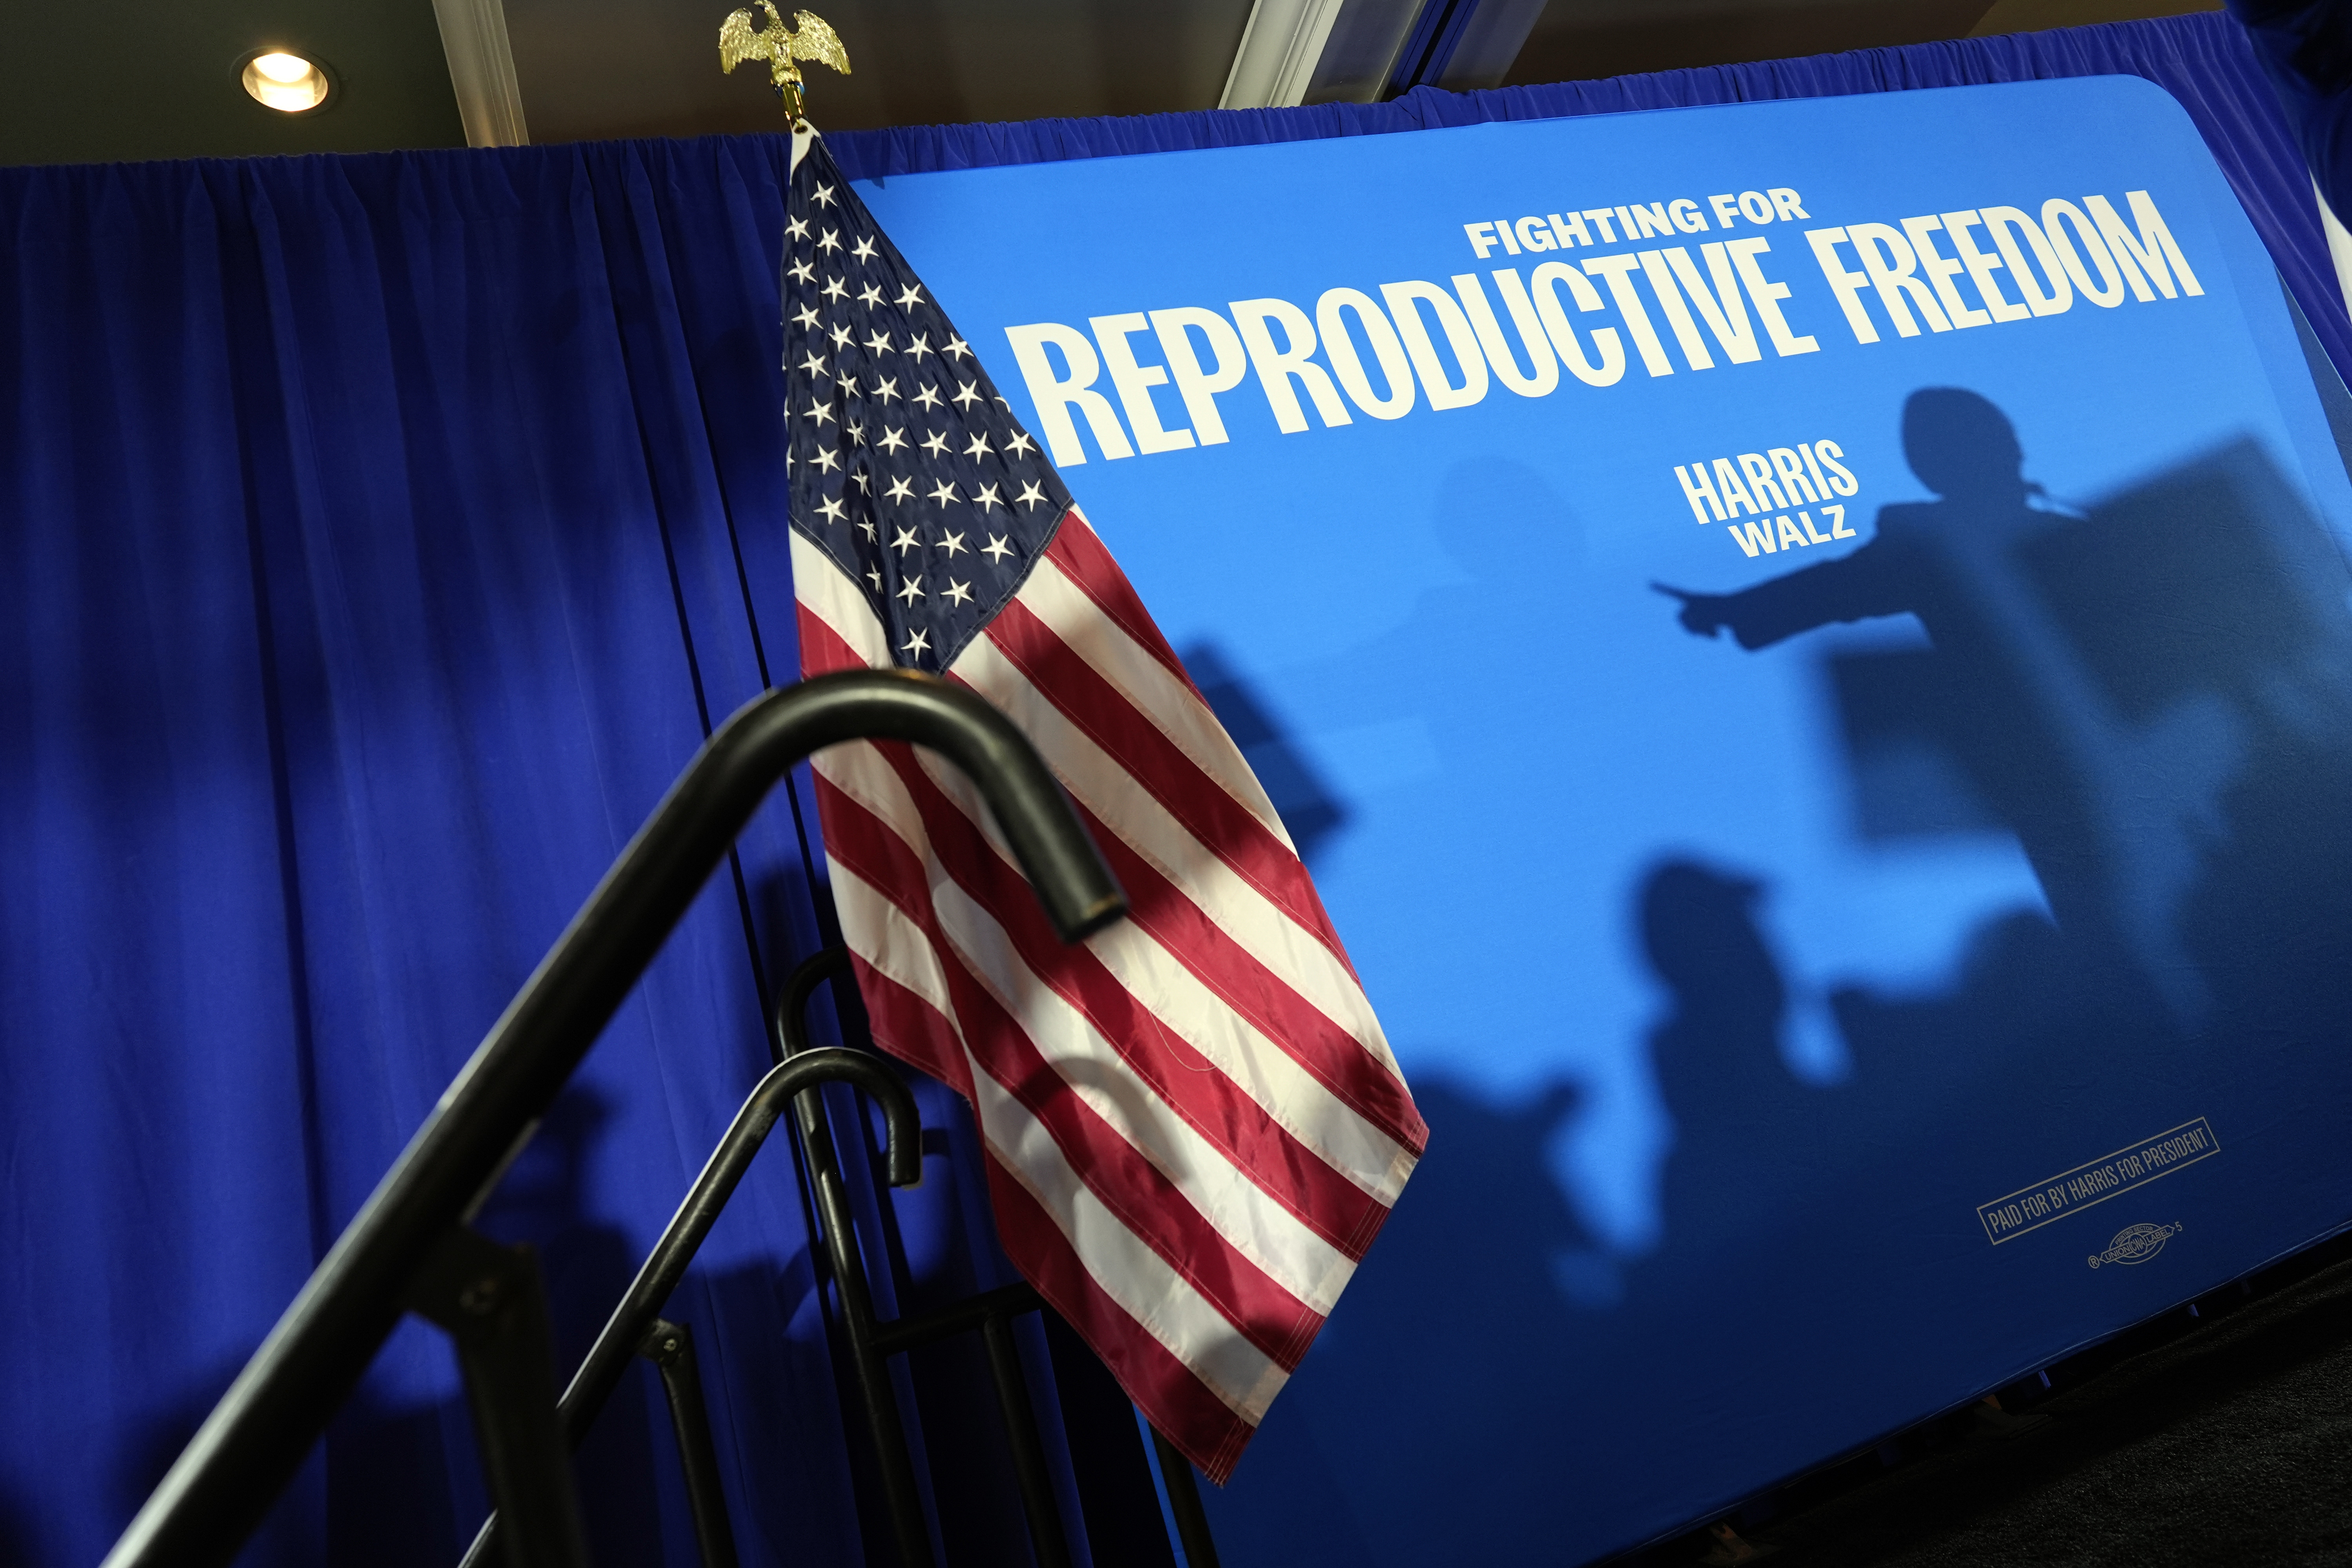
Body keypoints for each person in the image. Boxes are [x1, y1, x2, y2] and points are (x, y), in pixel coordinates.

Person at [1657, 388, 2210, 1021]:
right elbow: (1838, 588)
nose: (2007, 448)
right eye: (1976, 440)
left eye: (1997, 435)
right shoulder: (1926, 543)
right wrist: (1736, 610)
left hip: (2153, 751)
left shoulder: (2074, 531)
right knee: (2106, 923)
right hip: (2046, 776)